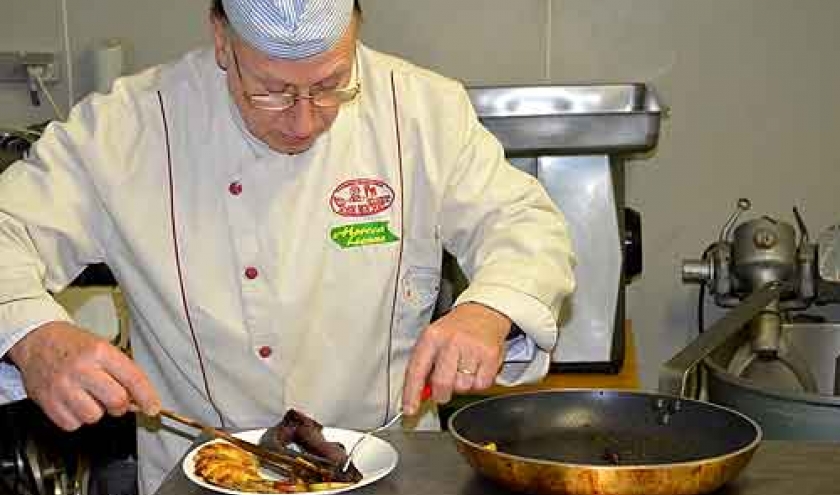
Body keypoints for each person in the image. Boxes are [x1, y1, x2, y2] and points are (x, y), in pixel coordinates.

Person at [0, 0, 575, 493]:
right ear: (221, 39)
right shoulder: (126, 129)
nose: (305, 121)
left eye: (331, 85)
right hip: (201, 475)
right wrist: (32, 334)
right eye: (271, 92)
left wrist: (489, 309)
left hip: (385, 470)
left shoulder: (424, 110)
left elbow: (522, 222)